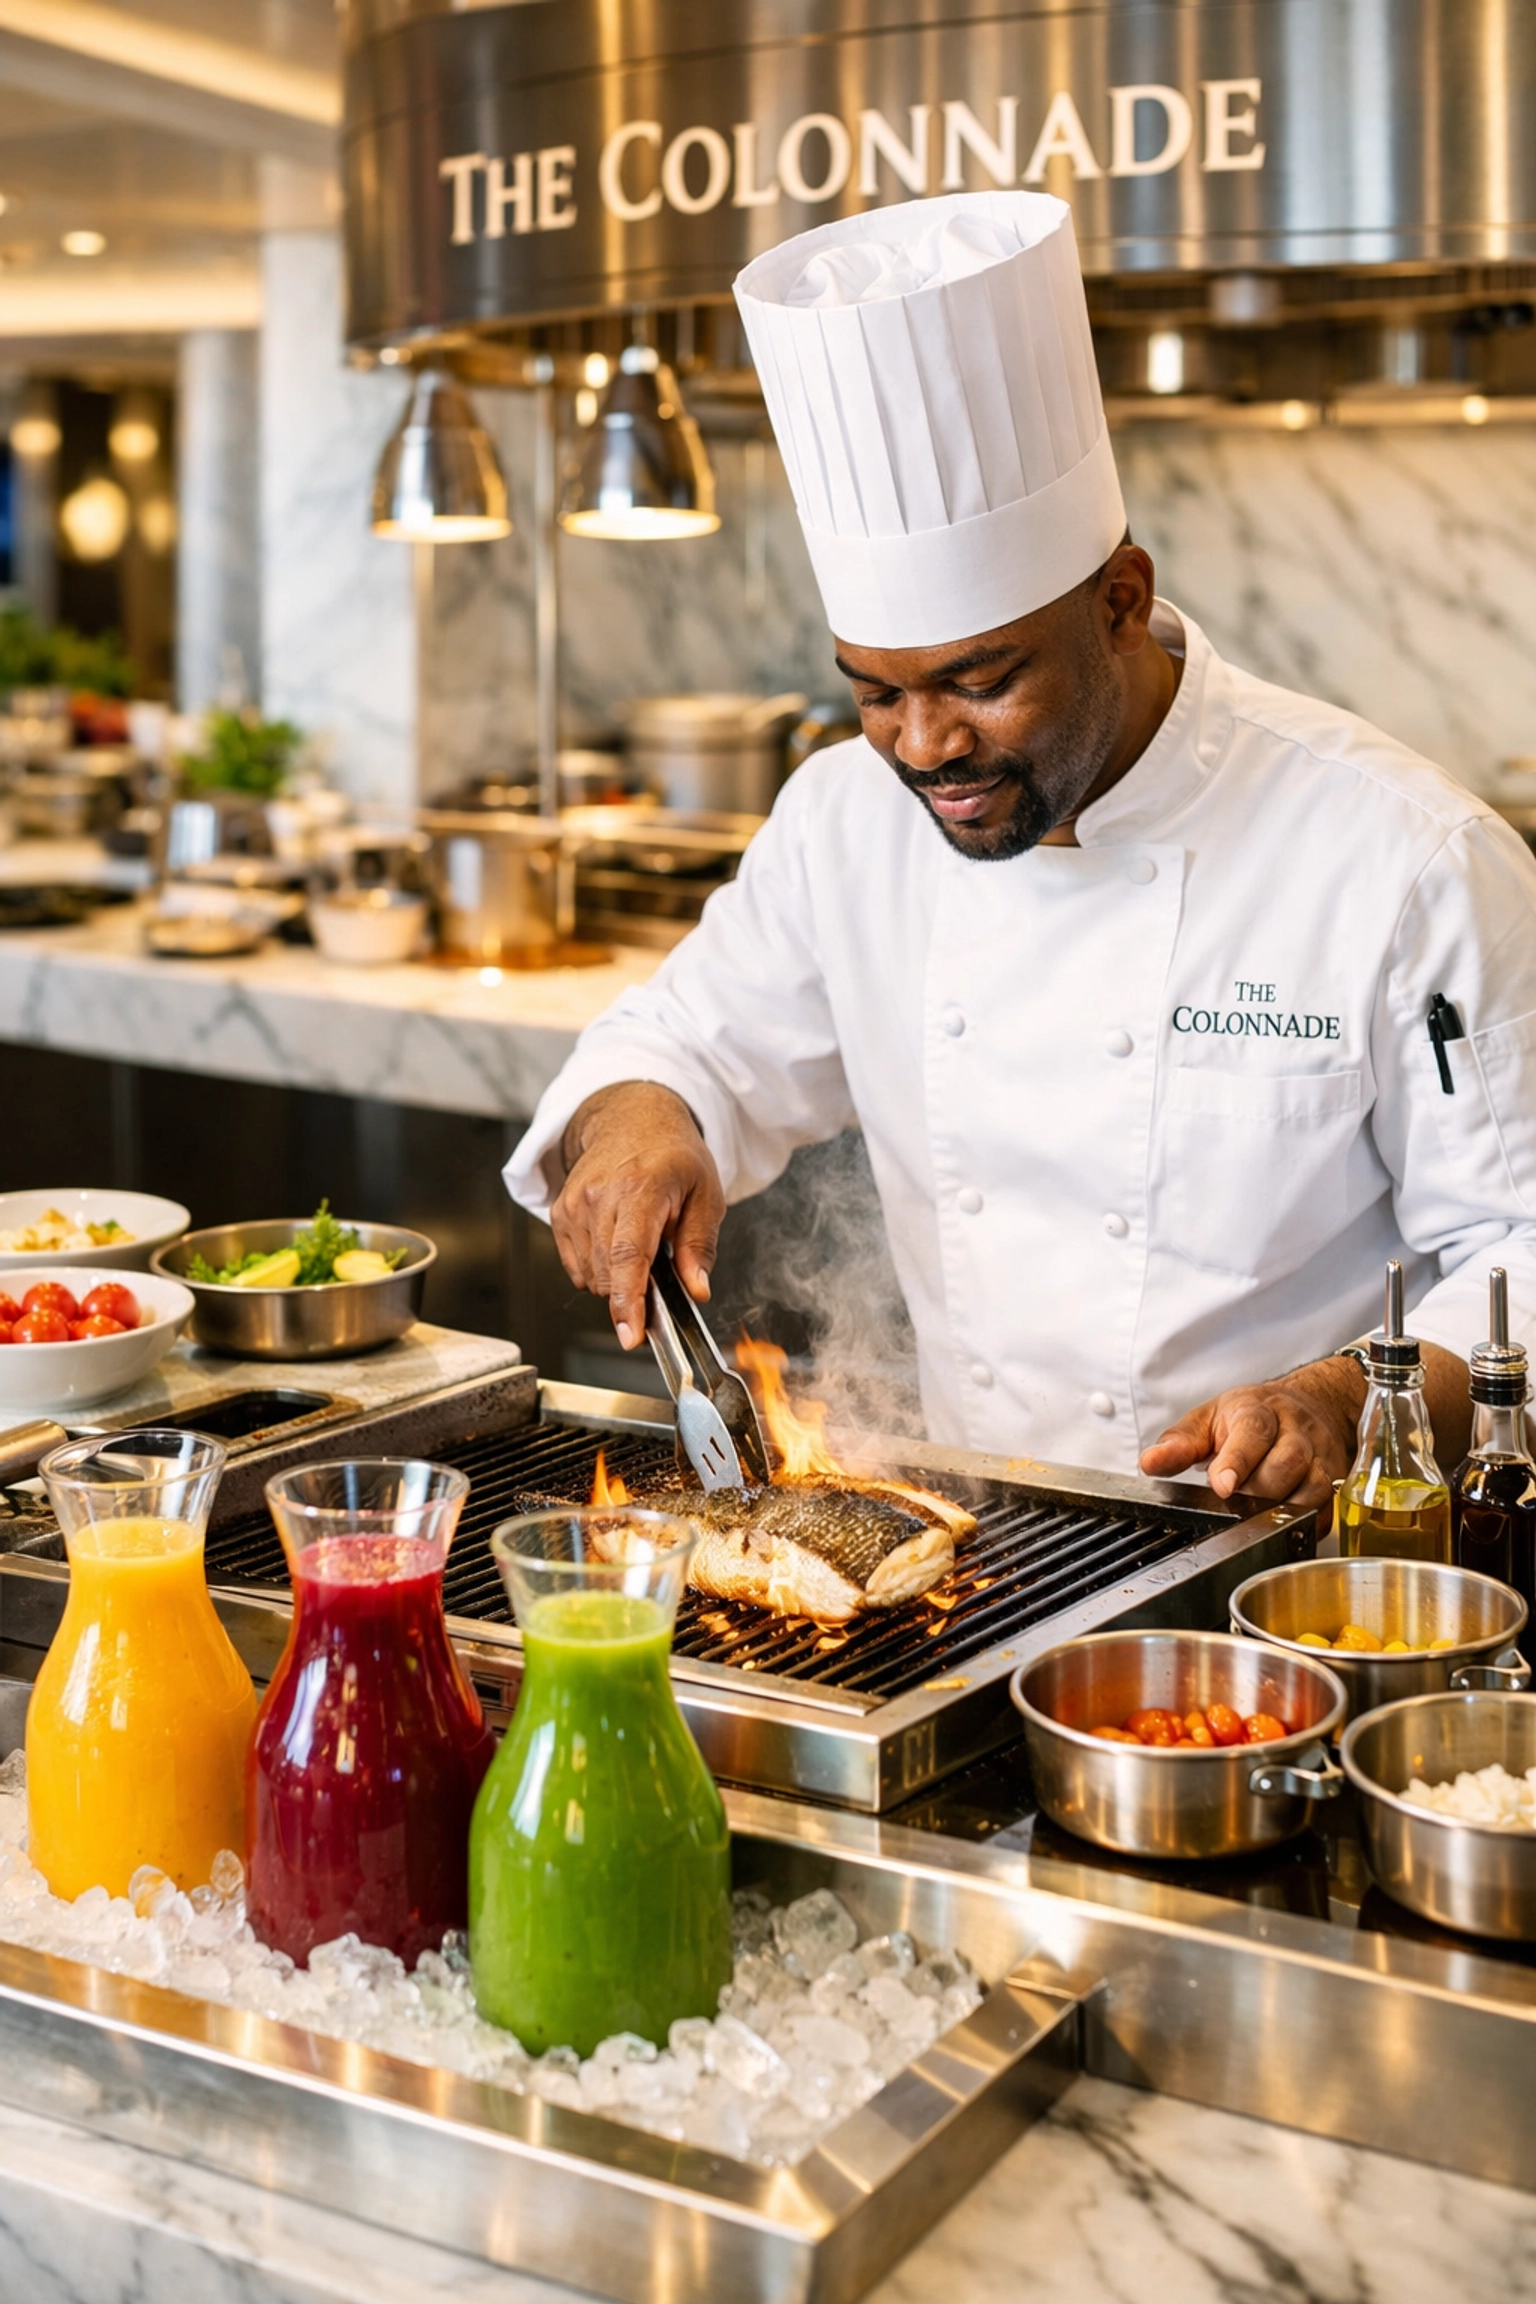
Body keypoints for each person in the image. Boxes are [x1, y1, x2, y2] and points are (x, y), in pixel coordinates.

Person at [506, 189, 1536, 1512]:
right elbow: (686, 1045)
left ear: (1121, 601)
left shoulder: (1404, 856)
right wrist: (639, 1123)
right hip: (987, 1554)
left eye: (981, 682)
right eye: (875, 691)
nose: (926, 745)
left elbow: (1519, 1241)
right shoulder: (845, 820)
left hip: (1301, 1575)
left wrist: (1340, 1396)